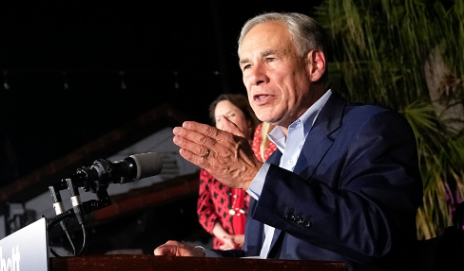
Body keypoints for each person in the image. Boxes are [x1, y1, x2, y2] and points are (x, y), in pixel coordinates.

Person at [155, 12, 423, 271]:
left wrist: (252, 175)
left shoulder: (370, 126)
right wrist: (204, 260)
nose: (253, 76)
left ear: (314, 65)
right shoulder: (274, 159)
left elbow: (377, 235)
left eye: (269, 58)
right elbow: (264, 257)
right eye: (246, 65)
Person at [197, 93, 260, 250]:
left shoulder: (263, 155)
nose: (224, 122)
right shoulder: (210, 165)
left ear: (248, 121)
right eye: (219, 119)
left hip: (261, 245)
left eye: (231, 115)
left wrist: (247, 238)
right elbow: (204, 210)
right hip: (225, 248)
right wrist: (227, 238)